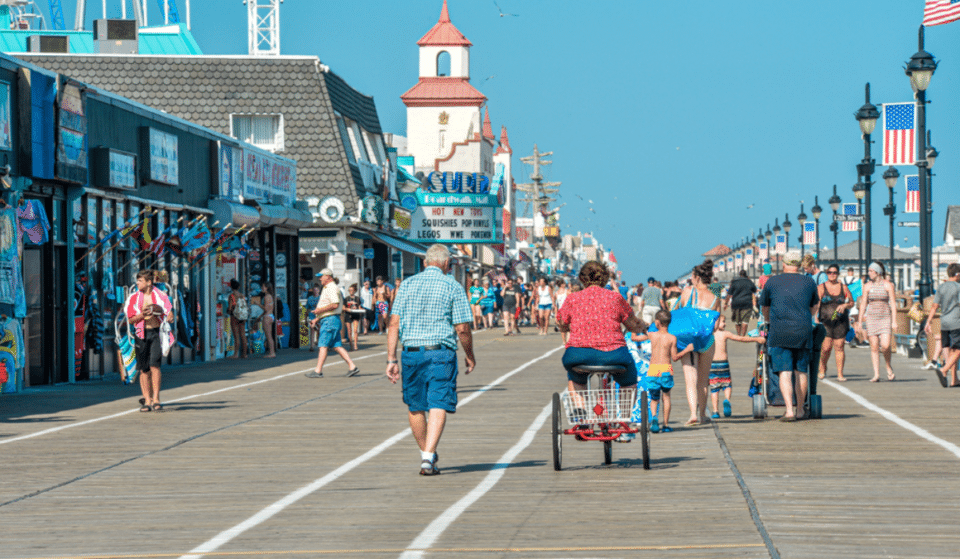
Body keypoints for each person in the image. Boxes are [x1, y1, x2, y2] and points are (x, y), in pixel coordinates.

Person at [385, 245, 476, 476]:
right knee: (438, 402)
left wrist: (390, 359)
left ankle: (427, 456)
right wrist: (469, 355)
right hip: (441, 352)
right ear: (447, 264)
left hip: (412, 352)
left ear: (425, 263)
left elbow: (393, 323)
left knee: (416, 406)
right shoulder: (453, 286)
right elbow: (463, 328)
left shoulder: (406, 284)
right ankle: (428, 456)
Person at [557, 261, 645, 399]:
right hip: (614, 354)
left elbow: (561, 322)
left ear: (582, 278)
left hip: (579, 353)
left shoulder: (572, 298)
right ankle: (624, 416)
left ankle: (581, 412)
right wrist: (644, 327)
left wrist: (565, 327)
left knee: (576, 377)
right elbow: (632, 324)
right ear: (604, 278)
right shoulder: (615, 298)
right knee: (629, 378)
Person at [760, 251, 819, 421]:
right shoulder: (809, 282)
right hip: (803, 330)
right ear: (800, 265)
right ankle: (800, 410)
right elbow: (815, 305)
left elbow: (765, 307)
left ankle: (789, 411)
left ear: (784, 264)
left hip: (780, 331)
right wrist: (808, 316)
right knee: (801, 371)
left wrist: (768, 320)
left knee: (784, 372)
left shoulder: (772, 282)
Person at [631, 309, 693, 433]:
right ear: (669, 323)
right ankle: (665, 425)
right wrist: (687, 349)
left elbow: (634, 338)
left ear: (657, 322)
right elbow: (674, 358)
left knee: (654, 399)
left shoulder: (652, 335)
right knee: (666, 397)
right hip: (666, 370)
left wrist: (636, 328)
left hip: (653, 370)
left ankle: (654, 418)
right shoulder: (672, 338)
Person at [678, 260, 721, 426]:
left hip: (688, 339)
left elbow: (683, 313)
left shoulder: (688, 292)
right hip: (707, 340)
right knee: (703, 381)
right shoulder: (715, 298)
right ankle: (703, 414)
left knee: (690, 379)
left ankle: (692, 414)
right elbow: (716, 325)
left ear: (695, 277)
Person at [124, 270, 174, 412]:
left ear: (149, 282)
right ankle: (147, 399)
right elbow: (130, 319)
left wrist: (169, 316)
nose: (137, 283)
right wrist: (142, 315)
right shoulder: (133, 298)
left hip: (156, 333)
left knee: (155, 366)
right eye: (137, 280)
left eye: (140, 281)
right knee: (144, 369)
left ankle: (156, 398)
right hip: (141, 334)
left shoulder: (160, 296)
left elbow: (170, 313)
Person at [305, 269, 359, 378]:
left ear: (328, 277)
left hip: (329, 320)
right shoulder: (328, 288)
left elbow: (334, 304)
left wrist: (319, 311)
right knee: (337, 346)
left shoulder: (331, 288)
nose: (319, 278)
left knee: (323, 345)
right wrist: (317, 319)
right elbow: (331, 306)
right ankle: (352, 366)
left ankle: (318, 371)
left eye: (321, 276)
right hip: (331, 319)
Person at [710, 314, 764, 419]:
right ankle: (727, 399)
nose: (725, 324)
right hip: (723, 364)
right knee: (727, 385)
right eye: (723, 321)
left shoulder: (709, 335)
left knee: (714, 388)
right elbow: (740, 338)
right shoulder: (725, 334)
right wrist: (756, 339)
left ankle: (715, 411)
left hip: (712, 365)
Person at [856, 262, 897, 382]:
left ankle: (888, 365)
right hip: (871, 318)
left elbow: (893, 304)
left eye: (871, 271)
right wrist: (860, 321)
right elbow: (863, 303)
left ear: (877, 272)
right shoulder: (867, 286)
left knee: (885, 345)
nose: (868, 273)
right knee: (874, 346)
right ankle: (876, 374)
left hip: (885, 317)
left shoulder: (888, 285)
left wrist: (894, 321)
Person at [817, 264, 854, 381]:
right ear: (826, 273)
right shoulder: (821, 287)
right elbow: (816, 304)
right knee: (826, 348)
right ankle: (822, 368)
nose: (832, 274)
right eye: (829, 272)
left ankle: (840, 374)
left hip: (840, 322)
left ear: (838, 274)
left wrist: (845, 305)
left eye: (834, 272)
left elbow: (851, 302)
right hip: (825, 322)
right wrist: (816, 319)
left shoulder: (844, 288)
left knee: (839, 346)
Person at [926, 263, 960, 387]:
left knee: (950, 350)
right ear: (957, 274)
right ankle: (943, 370)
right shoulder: (958, 287)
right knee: (957, 350)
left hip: (944, 323)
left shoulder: (941, 287)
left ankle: (953, 380)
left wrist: (928, 321)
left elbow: (935, 305)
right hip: (956, 322)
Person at [724, 270, 757, 336]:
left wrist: (726, 303)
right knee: (745, 321)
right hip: (747, 303)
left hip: (736, 304)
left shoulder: (734, 282)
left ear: (739, 275)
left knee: (737, 321)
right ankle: (743, 336)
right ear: (746, 275)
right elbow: (754, 290)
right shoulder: (749, 282)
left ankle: (738, 335)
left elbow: (729, 294)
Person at [227, 279, 248, 359]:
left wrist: (228, 311)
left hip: (234, 317)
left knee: (236, 336)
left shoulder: (231, 296)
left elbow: (230, 307)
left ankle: (236, 354)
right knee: (243, 335)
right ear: (238, 287)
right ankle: (245, 354)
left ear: (231, 287)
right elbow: (245, 306)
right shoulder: (242, 295)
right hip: (242, 316)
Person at [343, 283, 364, 351]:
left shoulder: (357, 298)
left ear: (354, 291)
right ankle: (351, 345)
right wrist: (347, 309)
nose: (350, 292)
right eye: (349, 290)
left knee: (355, 330)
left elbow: (359, 307)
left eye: (352, 290)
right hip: (348, 314)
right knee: (349, 331)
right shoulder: (346, 298)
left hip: (355, 315)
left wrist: (361, 309)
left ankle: (355, 345)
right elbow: (343, 308)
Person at [260, 282, 277, 358]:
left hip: (267, 317)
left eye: (263, 286)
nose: (262, 288)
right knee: (270, 336)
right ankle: (272, 352)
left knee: (268, 336)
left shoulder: (267, 297)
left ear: (266, 288)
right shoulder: (271, 296)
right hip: (271, 316)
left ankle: (272, 353)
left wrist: (258, 304)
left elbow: (266, 308)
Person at [305, 284, 321, 351]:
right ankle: (311, 346)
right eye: (314, 290)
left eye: (317, 290)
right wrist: (305, 319)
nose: (315, 291)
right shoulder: (310, 298)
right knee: (312, 329)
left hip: (319, 316)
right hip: (312, 316)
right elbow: (307, 308)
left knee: (319, 330)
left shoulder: (321, 298)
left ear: (319, 290)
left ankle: (319, 342)